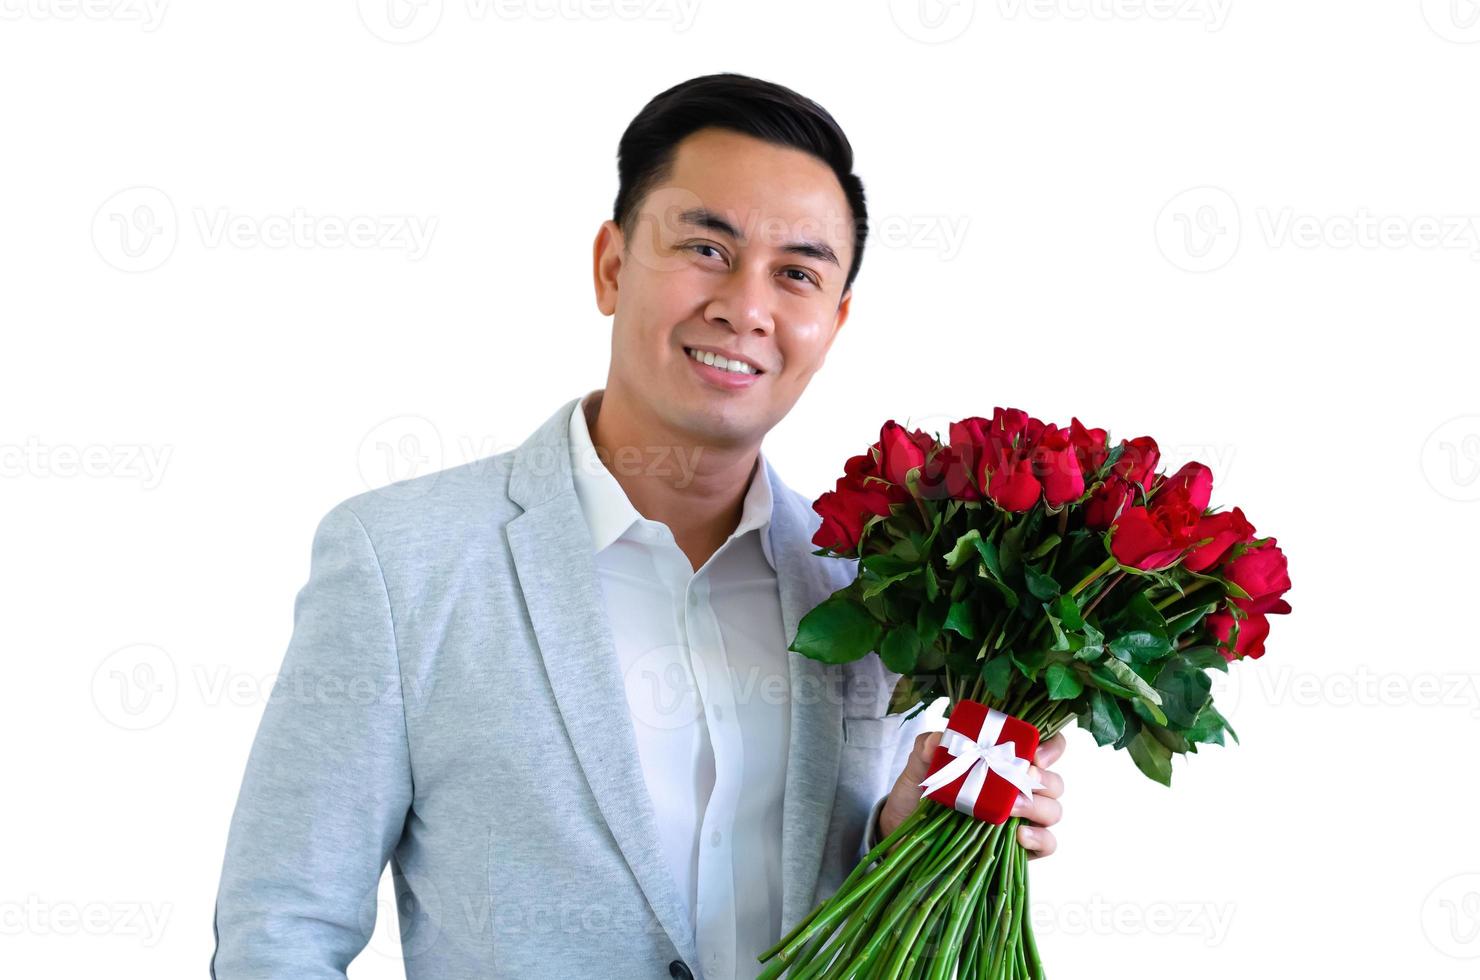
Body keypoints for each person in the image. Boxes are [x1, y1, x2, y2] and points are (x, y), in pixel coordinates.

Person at [209, 71, 1065, 980]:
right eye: (706, 247)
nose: (746, 307)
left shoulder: (876, 589)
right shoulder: (402, 562)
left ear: (835, 319)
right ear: (611, 266)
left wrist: (915, 844)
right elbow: (283, 929)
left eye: (798, 274)